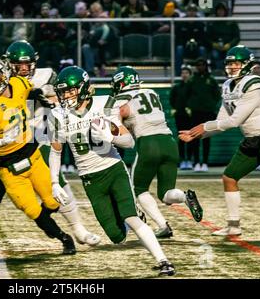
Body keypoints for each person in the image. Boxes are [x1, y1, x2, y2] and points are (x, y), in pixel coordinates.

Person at [0, 41, 100, 253]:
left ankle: (78, 230)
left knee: (58, 186)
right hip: (6, 150)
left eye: (28, 64)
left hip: (38, 140)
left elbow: (63, 96)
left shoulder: (46, 76)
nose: (24, 68)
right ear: (8, 64)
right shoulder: (1, 83)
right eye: (19, 64)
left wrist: (48, 99)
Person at [49, 65, 175, 276]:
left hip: (114, 169)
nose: (66, 96)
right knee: (117, 236)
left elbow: (129, 142)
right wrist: (54, 181)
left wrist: (111, 138)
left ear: (83, 88)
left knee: (131, 218)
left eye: (70, 90)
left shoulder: (104, 105)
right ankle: (132, 216)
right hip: (90, 179)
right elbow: (55, 151)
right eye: (63, 92)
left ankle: (163, 261)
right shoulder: (58, 115)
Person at [179, 45, 260, 236]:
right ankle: (233, 226)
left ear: (247, 64)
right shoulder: (227, 85)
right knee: (229, 178)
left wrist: (203, 127)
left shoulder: (255, 84)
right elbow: (221, 120)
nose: (232, 67)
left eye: (236, 63)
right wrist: (197, 134)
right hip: (251, 139)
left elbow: (235, 121)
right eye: (230, 63)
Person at [110, 66, 203, 239]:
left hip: (148, 143)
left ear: (122, 83)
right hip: (169, 142)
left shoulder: (119, 101)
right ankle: (185, 196)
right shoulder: (151, 92)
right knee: (166, 194)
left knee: (138, 189)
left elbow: (121, 123)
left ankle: (162, 225)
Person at [186, 57, 221, 172]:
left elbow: (217, 95)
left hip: (208, 113)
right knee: (195, 137)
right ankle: (196, 162)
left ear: (206, 66)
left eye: (202, 65)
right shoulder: (192, 80)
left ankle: (205, 162)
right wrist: (190, 107)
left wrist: (212, 107)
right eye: (198, 65)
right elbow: (187, 95)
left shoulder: (211, 80)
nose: (200, 67)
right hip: (195, 112)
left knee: (206, 138)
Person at [170, 64, 193, 170]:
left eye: (186, 73)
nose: (184, 75)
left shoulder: (193, 86)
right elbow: (172, 99)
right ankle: (182, 160)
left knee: (190, 138)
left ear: (190, 74)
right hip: (179, 116)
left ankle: (189, 160)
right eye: (183, 73)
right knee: (181, 138)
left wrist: (190, 107)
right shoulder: (177, 87)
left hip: (191, 116)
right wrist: (175, 108)